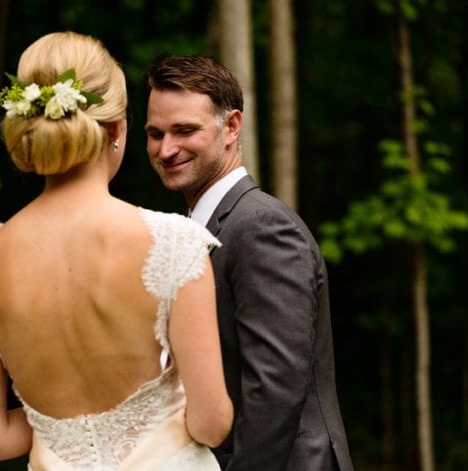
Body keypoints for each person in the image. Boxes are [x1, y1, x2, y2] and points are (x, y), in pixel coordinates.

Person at [0, 31, 232, 469]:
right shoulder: (173, 242)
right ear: (117, 129)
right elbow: (211, 422)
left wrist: (60, 428)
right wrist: (138, 421)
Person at [144, 55, 353, 470]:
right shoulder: (195, 230)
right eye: (155, 134)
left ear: (232, 126)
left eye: (185, 130)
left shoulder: (262, 227)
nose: (166, 149)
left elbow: (274, 390)